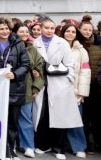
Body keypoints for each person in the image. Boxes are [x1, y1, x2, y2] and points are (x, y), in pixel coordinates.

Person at [33, 17, 84, 160]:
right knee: (43, 116)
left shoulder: (61, 43)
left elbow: (70, 64)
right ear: (41, 28)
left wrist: (67, 81)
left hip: (60, 85)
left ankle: (59, 148)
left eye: (52, 28)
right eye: (46, 28)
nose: (49, 31)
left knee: (60, 118)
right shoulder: (35, 43)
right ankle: (43, 145)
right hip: (42, 84)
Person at [0, 17, 30, 160]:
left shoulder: (18, 43)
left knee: (12, 122)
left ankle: (10, 149)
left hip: (14, 88)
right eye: (1, 28)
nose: (5, 31)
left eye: (7, 28)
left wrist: (15, 74)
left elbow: (25, 64)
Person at [59, 22, 90, 158]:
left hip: (75, 91)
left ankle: (79, 147)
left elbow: (85, 72)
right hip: (58, 90)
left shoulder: (81, 50)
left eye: (73, 32)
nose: (70, 34)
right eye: (67, 31)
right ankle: (60, 147)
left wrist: (82, 93)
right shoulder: (57, 46)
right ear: (63, 32)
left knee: (76, 120)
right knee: (58, 120)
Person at [14, 24, 45, 158]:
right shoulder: (10, 47)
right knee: (11, 119)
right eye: (21, 31)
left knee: (26, 118)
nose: (25, 34)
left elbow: (40, 70)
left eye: (27, 32)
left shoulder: (32, 50)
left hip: (27, 89)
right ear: (15, 33)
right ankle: (12, 145)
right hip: (12, 88)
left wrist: (36, 87)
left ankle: (28, 146)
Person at [80, 16, 101, 153]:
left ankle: (97, 142)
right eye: (84, 29)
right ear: (79, 30)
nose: (87, 32)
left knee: (97, 116)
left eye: (89, 29)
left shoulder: (98, 44)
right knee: (84, 117)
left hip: (96, 86)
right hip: (82, 86)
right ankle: (87, 144)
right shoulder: (77, 44)